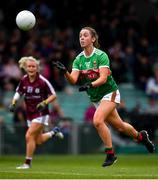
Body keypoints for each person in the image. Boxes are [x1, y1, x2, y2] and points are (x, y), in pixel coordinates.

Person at [53, 26, 155, 167]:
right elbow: (73, 80)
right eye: (80, 36)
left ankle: (110, 154)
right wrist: (65, 72)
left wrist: (90, 85)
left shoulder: (101, 55)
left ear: (93, 39)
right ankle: (141, 137)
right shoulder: (78, 59)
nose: (82, 38)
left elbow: (103, 78)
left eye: (85, 35)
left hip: (109, 92)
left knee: (97, 120)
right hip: (96, 98)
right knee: (120, 126)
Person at [9, 56, 64, 169]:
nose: (31, 68)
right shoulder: (24, 79)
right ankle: (54, 132)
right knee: (37, 140)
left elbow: (54, 95)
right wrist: (13, 102)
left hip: (41, 113)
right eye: (29, 66)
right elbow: (18, 92)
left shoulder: (43, 81)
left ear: (37, 68)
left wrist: (44, 102)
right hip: (30, 114)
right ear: (25, 68)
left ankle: (27, 164)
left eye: (33, 66)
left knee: (29, 136)